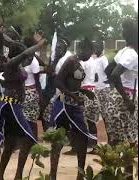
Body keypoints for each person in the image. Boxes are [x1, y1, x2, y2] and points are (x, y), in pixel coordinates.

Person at [0, 37, 46, 180]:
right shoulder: (11, 64)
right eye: (24, 54)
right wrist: (38, 45)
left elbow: (33, 60)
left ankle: (3, 175)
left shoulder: (18, 66)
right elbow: (24, 54)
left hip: (15, 105)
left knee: (11, 143)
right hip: (10, 104)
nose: (27, 57)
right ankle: (17, 175)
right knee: (29, 138)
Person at [49, 38, 96, 180]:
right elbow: (58, 81)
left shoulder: (78, 63)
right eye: (90, 52)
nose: (90, 55)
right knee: (58, 139)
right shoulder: (70, 61)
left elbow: (72, 84)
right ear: (82, 48)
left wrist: (82, 92)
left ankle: (80, 175)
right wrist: (73, 96)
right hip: (64, 105)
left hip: (74, 105)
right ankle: (52, 176)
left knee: (82, 138)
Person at [106, 19, 137, 180]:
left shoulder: (124, 51)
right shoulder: (132, 54)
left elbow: (107, 70)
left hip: (115, 98)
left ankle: (112, 174)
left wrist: (115, 93)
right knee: (130, 141)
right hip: (125, 99)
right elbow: (114, 74)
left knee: (116, 140)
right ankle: (127, 177)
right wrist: (126, 99)